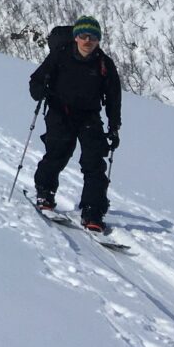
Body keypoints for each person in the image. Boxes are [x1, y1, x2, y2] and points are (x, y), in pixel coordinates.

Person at [29, 15, 122, 233]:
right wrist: (38, 91)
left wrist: (114, 126)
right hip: (60, 111)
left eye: (93, 37)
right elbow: (37, 79)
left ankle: (93, 211)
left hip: (89, 116)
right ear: (76, 37)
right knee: (58, 153)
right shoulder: (60, 56)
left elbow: (114, 97)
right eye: (83, 36)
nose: (88, 41)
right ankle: (45, 192)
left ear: (99, 40)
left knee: (95, 163)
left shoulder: (104, 64)